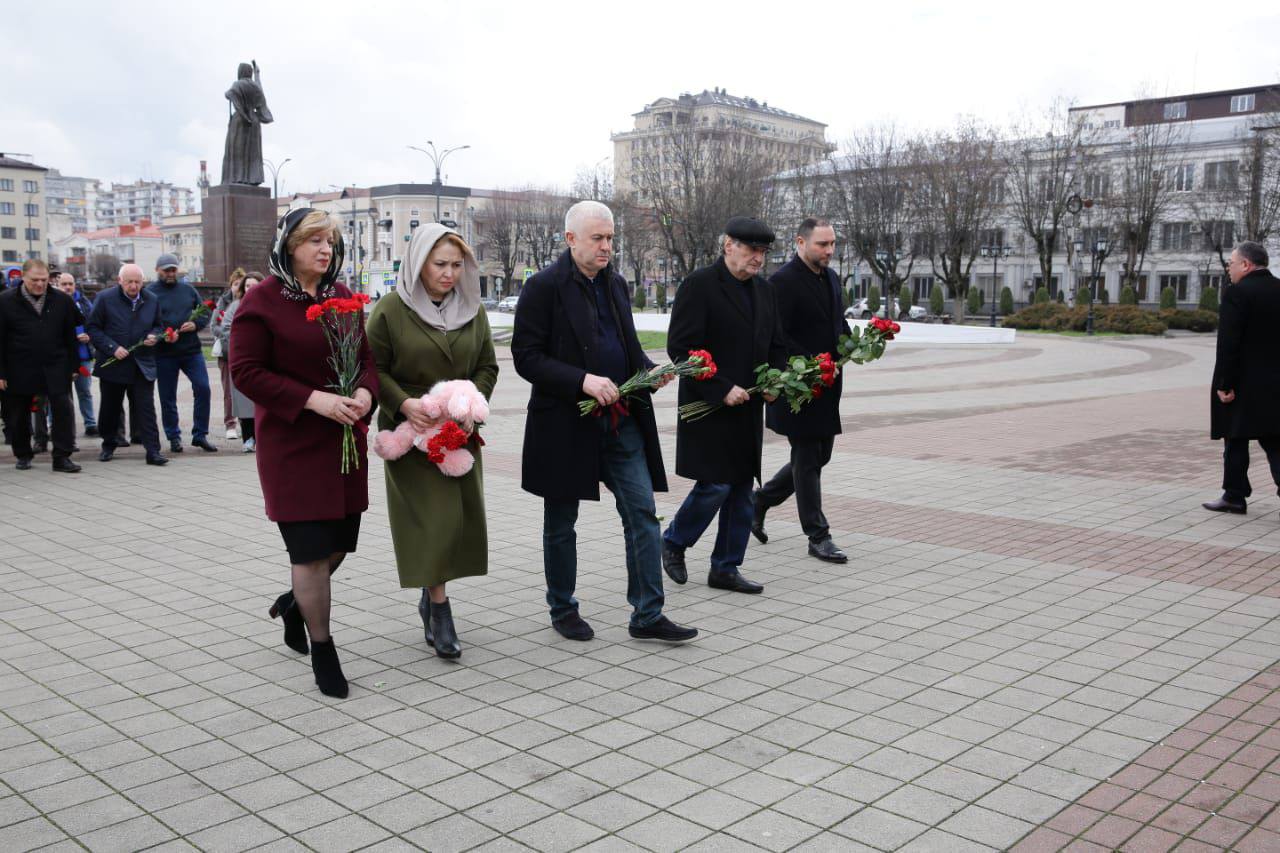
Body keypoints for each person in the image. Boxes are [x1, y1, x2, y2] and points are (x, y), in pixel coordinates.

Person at [513, 200, 697, 643]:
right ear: (570, 239)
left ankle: (648, 614)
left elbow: (626, 345)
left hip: (620, 420)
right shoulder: (543, 287)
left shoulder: (615, 283)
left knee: (642, 512)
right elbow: (526, 357)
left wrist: (650, 371)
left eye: (611, 238)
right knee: (562, 522)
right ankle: (563, 608)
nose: (606, 246)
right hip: (565, 424)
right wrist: (582, 381)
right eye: (597, 238)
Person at [231, 208, 377, 698]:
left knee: (338, 546)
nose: (325, 249)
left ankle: (294, 605)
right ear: (289, 246)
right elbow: (246, 372)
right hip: (293, 447)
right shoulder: (262, 301)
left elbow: (367, 360)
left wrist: (366, 394)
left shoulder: (343, 296)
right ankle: (323, 649)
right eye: (314, 240)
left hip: (343, 446)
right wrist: (313, 400)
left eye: (330, 241)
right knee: (310, 553)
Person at [367, 225, 498, 658]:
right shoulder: (390, 310)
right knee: (434, 524)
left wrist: (471, 404)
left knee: (456, 523)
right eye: (440, 264)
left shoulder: (472, 309)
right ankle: (440, 609)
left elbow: (487, 366)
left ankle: (431, 594)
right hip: (411, 435)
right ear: (419, 263)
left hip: (457, 432)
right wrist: (403, 404)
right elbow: (373, 369)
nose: (449, 273)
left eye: (457, 265)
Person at [662, 217, 789, 594]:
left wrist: (775, 381)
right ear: (728, 245)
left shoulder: (765, 291)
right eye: (751, 249)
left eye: (763, 252)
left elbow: (777, 345)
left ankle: (726, 567)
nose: (758, 258)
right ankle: (673, 541)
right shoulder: (699, 285)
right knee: (716, 483)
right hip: (709, 405)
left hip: (748, 406)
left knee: (741, 488)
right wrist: (720, 388)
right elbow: (681, 348)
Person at [753, 218, 851, 563]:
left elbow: (838, 323)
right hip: (797, 387)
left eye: (832, 244)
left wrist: (855, 344)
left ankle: (760, 501)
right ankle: (818, 535)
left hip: (828, 386)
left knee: (819, 456)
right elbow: (776, 335)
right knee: (808, 458)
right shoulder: (781, 282)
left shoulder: (832, 277)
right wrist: (809, 365)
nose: (829, 250)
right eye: (822, 244)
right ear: (800, 242)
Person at [1204, 241, 1280, 515]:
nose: (1229, 269)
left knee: (1235, 437)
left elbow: (1229, 343)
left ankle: (1234, 496)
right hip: (1275, 383)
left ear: (1246, 265)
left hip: (1242, 382)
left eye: (1232, 264)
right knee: (1275, 439)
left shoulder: (1238, 293)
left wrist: (1225, 383)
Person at [0, 259, 82, 472]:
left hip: (55, 364)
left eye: (44, 280)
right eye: (34, 280)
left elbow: (70, 336)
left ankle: (62, 456)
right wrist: (1, 373)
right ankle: (23, 454)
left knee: (63, 409)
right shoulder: (6, 301)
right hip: (19, 366)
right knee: (18, 413)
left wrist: (74, 366)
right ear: (23, 278)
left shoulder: (62, 301)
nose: (39, 284)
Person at [86, 264, 167, 466]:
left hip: (142, 363)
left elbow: (159, 325)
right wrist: (112, 347)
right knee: (110, 408)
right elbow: (93, 328)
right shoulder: (104, 298)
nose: (133, 286)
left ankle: (153, 451)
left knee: (146, 409)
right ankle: (108, 444)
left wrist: (154, 336)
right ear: (120, 281)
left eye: (137, 282)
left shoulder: (151, 299)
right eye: (129, 282)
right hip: (114, 363)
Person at [147, 253, 217, 454]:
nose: (171, 273)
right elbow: (147, 322)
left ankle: (200, 434)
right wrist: (163, 335)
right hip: (164, 353)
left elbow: (204, 311)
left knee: (203, 388)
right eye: (166, 270)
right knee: (167, 396)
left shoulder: (188, 289)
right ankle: (173, 436)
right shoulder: (149, 293)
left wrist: (196, 324)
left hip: (191, 350)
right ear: (157, 270)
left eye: (173, 270)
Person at [221, 271, 262, 451]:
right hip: (243, 358)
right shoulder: (236, 306)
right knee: (244, 400)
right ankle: (248, 438)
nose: (250, 289)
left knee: (262, 399)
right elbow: (226, 328)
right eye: (247, 285)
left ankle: (262, 437)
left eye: (254, 285)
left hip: (263, 359)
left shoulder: (269, 304)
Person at [56, 273, 98, 437]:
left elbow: (94, 325)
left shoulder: (84, 303)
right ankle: (56, 426)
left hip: (83, 356)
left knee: (84, 391)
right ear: (58, 285)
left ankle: (90, 424)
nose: (68, 287)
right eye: (64, 284)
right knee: (59, 394)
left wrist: (89, 336)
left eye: (70, 284)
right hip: (61, 357)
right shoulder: (53, 302)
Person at [214, 268, 247, 439]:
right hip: (227, 353)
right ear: (231, 285)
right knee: (229, 391)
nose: (237, 287)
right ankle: (230, 424)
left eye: (241, 284)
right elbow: (214, 326)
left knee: (245, 391)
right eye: (235, 284)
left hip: (245, 353)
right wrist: (231, 334)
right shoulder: (224, 302)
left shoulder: (249, 301)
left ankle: (246, 424)